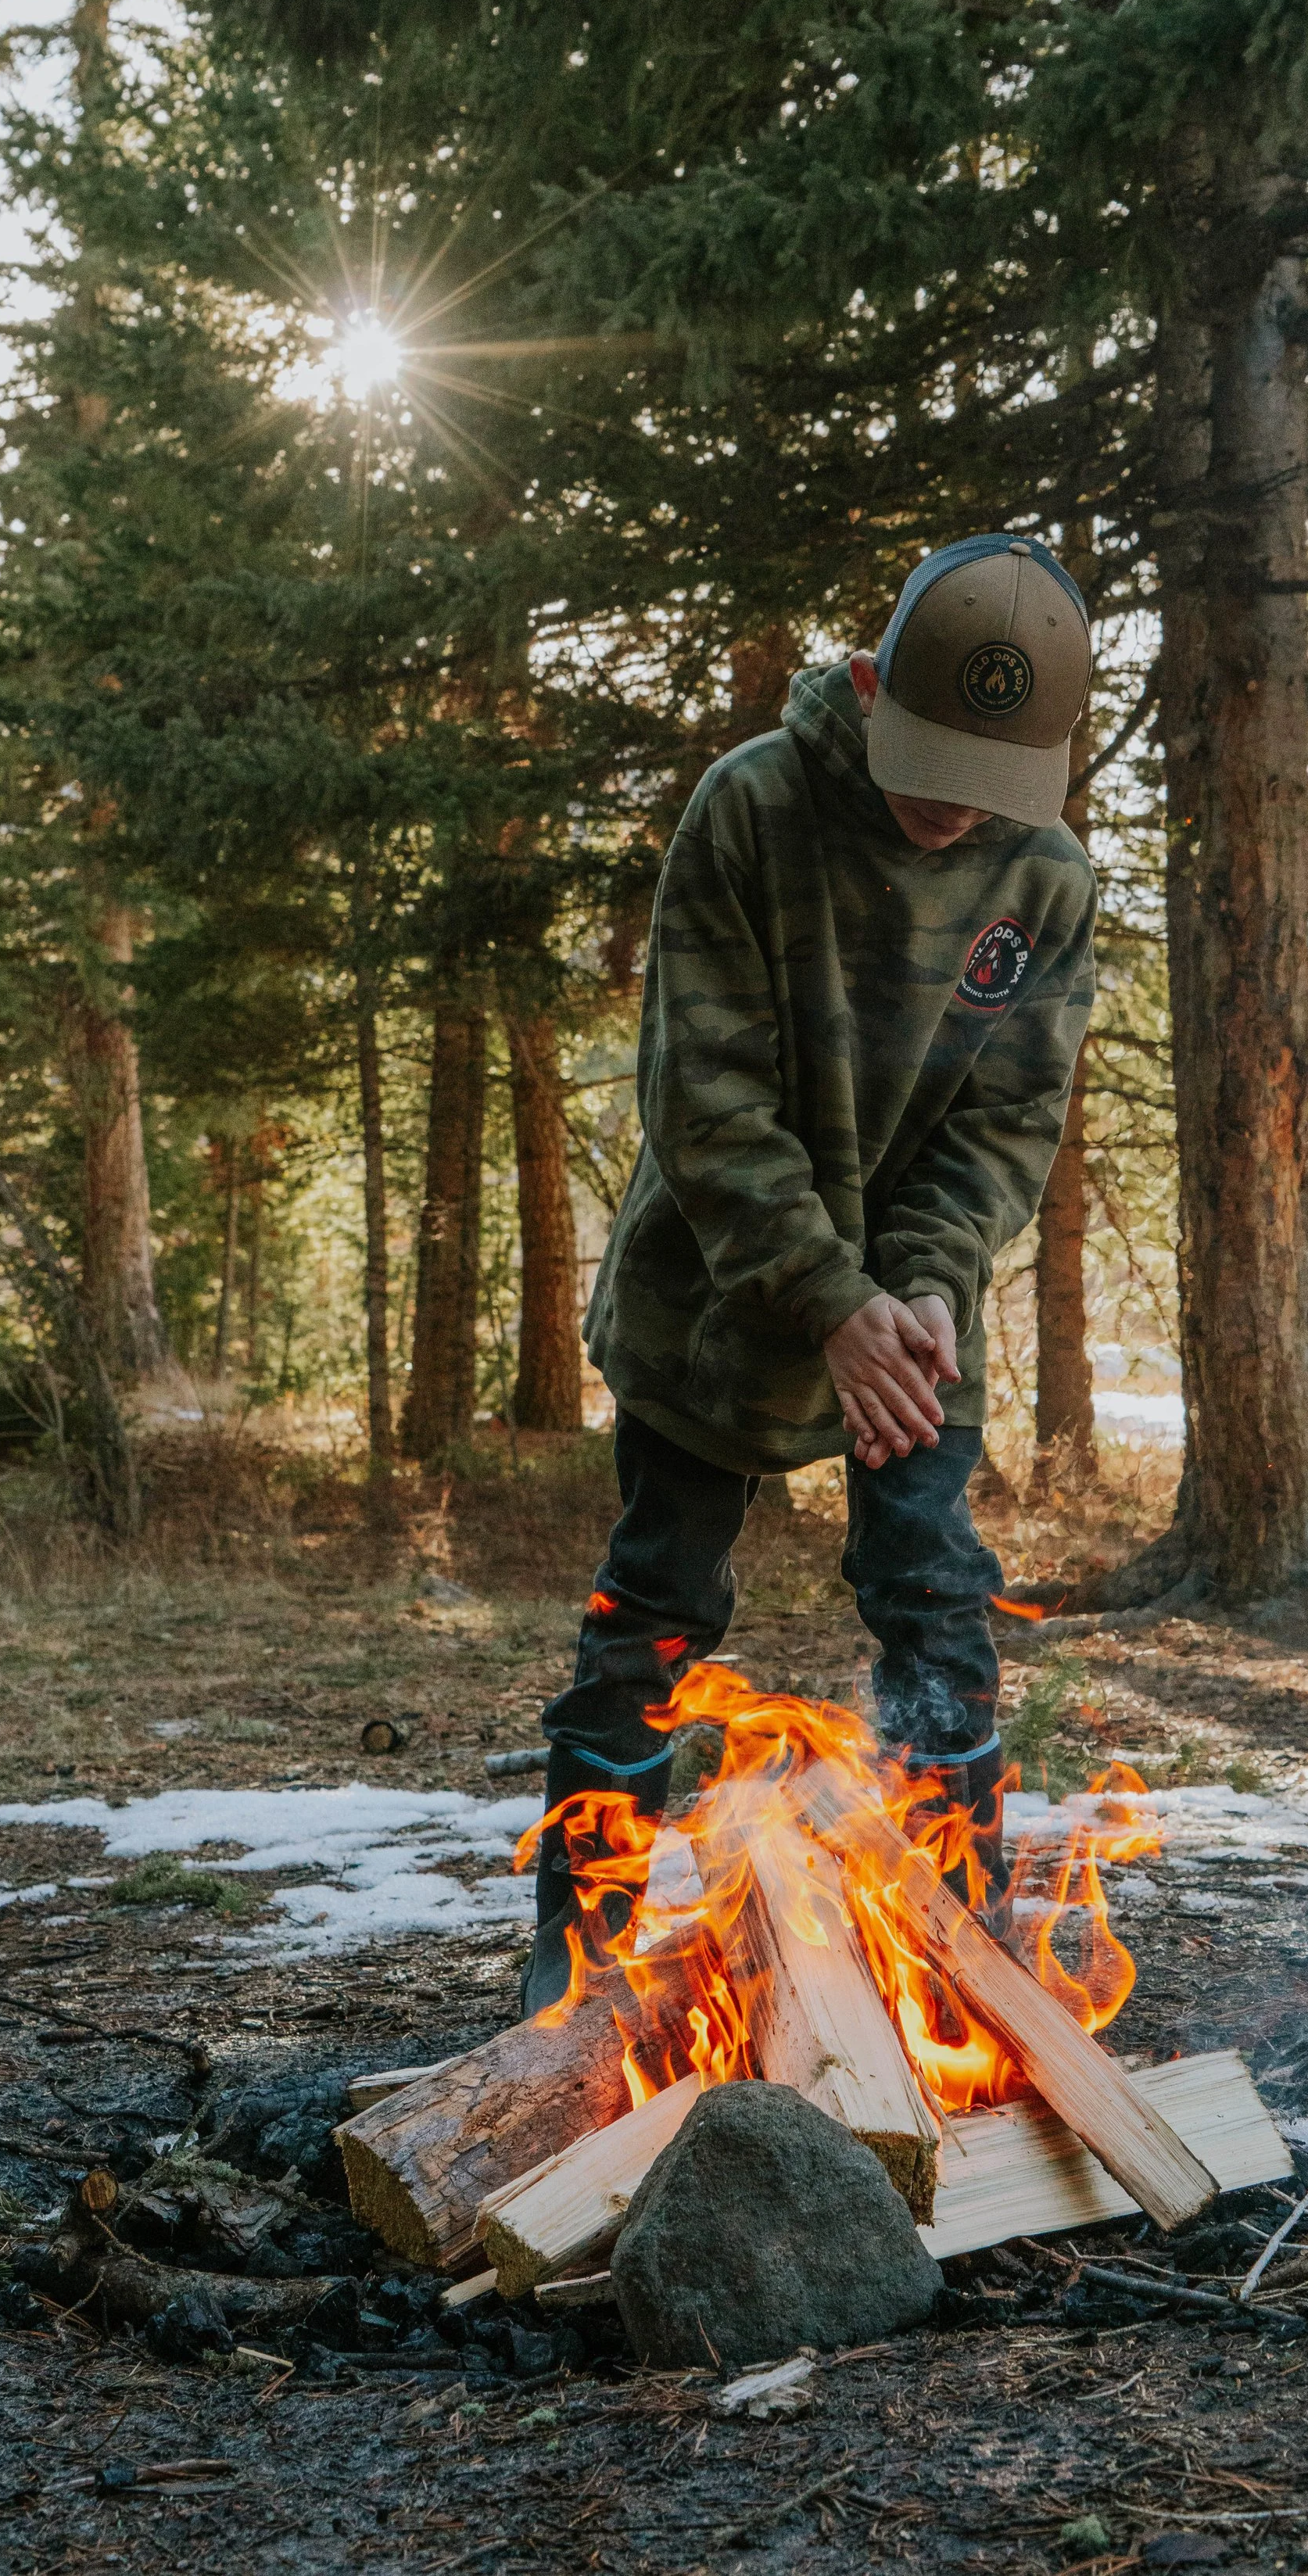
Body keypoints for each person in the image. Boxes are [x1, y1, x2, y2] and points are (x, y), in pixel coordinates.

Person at [522, 533, 1098, 2012]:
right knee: (656, 1604)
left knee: (935, 1600)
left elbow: (1005, 1125)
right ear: (863, 688)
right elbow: (704, 1098)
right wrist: (825, 1299)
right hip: (720, 1296)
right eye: (926, 763)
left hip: (913, 1322)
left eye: (986, 779)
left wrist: (915, 1287)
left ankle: (957, 1964)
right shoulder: (754, 808)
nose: (951, 807)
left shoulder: (1043, 877)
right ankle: (575, 1971)